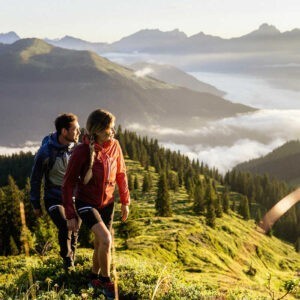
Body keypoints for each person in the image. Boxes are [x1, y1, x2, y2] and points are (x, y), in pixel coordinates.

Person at [62, 109, 130, 299]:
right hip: (86, 203)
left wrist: (125, 201)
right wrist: (70, 214)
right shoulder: (82, 151)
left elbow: (121, 174)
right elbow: (67, 183)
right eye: (109, 128)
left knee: (101, 242)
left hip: (108, 203)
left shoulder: (115, 146)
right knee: (107, 239)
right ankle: (106, 282)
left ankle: (94, 276)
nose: (112, 131)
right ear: (98, 130)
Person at [30, 113, 81, 271]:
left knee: (75, 230)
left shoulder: (76, 148)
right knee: (66, 225)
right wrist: (36, 204)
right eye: (75, 129)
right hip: (54, 198)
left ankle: (73, 258)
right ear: (64, 131)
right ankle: (67, 262)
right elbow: (36, 178)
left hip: (73, 198)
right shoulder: (45, 153)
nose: (78, 132)